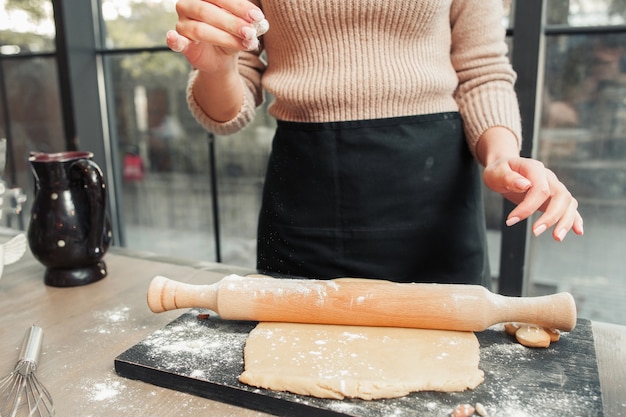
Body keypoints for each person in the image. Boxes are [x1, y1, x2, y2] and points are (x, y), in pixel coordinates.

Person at [166, 0, 583, 287]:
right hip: (308, 193)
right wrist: (218, 70)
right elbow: (231, 97)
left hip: (435, 196)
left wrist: (503, 158)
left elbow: (483, 69)